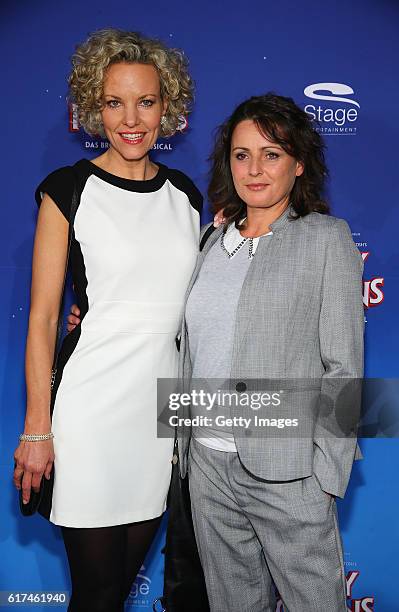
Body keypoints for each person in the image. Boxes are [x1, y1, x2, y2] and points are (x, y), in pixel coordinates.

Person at [13, 28, 202, 611]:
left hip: (157, 422)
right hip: (88, 413)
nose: (132, 119)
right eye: (114, 102)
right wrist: (37, 429)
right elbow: (45, 318)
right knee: (95, 594)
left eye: (146, 101)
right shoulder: (68, 190)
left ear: (166, 106)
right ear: (94, 108)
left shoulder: (187, 198)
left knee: (115, 592)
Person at [176, 93, 364, 611]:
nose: (254, 169)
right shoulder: (210, 243)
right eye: (242, 155)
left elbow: (343, 366)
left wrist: (327, 471)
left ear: (299, 163)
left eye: (271, 154)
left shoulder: (326, 239)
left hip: (290, 469)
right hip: (208, 465)